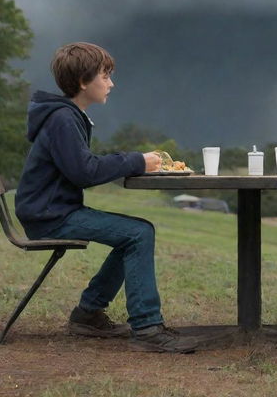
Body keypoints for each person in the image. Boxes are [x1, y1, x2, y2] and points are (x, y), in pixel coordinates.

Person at [15, 42, 197, 353]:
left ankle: (88, 314)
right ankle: (148, 329)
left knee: (134, 233)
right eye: (105, 76)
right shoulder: (63, 119)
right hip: (48, 216)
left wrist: (133, 161)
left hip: (49, 211)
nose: (111, 83)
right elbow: (84, 172)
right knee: (138, 233)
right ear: (84, 82)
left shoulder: (68, 116)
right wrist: (137, 161)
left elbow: (81, 166)